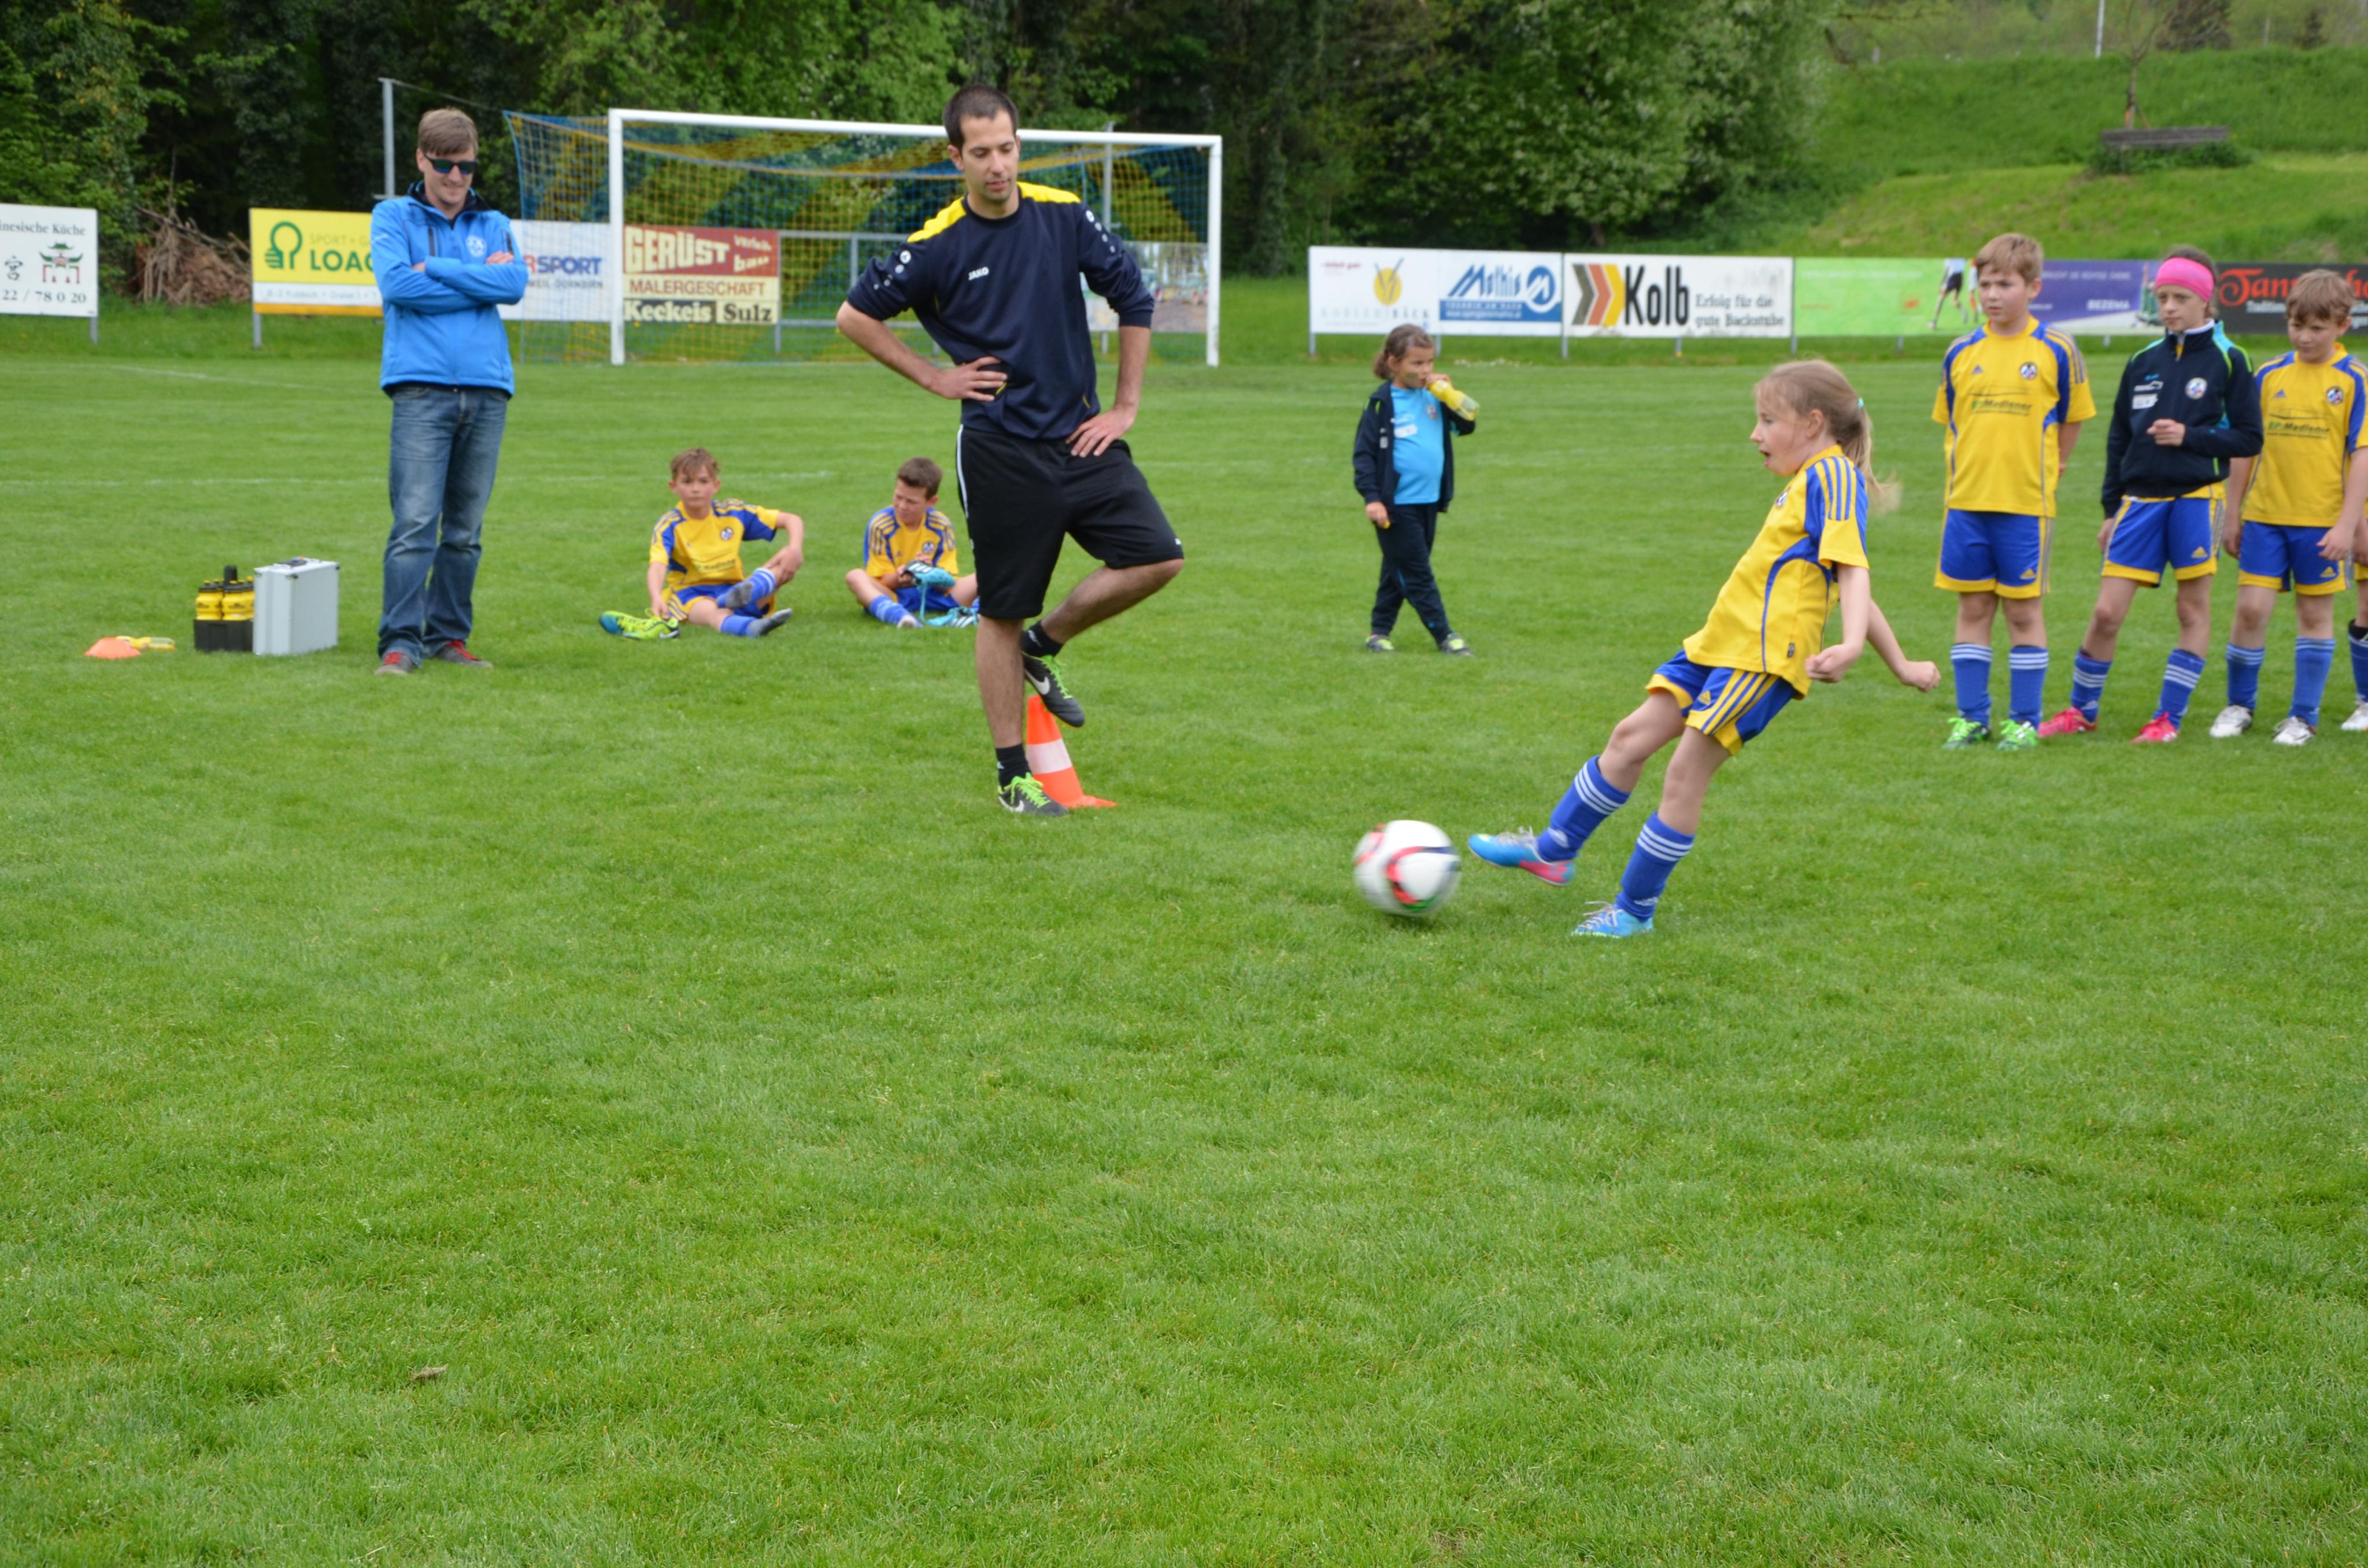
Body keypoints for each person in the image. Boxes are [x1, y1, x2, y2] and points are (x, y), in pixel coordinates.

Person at [1466, 361, 1938, 939]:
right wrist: (1902, 665)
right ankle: (1553, 851)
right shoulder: (1809, 480)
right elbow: (1840, 577)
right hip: (1720, 645)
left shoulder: (1832, 476)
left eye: (1768, 420)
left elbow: (1853, 568)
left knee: (1684, 775)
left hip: (1761, 659)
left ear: (1813, 423)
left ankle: (1634, 911)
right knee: (1629, 739)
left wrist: (1852, 644)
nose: (1755, 434)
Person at [835, 84, 1184, 818]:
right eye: (981, 153)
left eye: (1006, 149)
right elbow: (854, 316)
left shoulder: (1063, 214)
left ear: (1018, 146)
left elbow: (1133, 296)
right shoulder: (938, 243)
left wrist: (1124, 407)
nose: (997, 166)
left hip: (1082, 436)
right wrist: (934, 377)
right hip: (999, 449)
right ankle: (1013, 779)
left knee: (1158, 557)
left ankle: (1043, 644)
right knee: (998, 609)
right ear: (955, 157)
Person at [2043, 247, 2263, 742]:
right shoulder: (2143, 360)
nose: (2168, 307)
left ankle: (2168, 719)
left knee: (2191, 610)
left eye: (2180, 298)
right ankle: (2081, 711)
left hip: (2197, 500)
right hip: (2139, 503)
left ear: (2205, 300)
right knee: (2106, 612)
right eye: (2162, 298)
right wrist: (2110, 509)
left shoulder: (2230, 359)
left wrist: (2190, 437)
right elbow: (2119, 438)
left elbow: (2250, 438)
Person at [368, 107, 526, 675]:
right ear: (420, 159)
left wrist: (434, 267)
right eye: (444, 165)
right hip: (421, 389)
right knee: (414, 524)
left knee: (464, 532)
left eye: (466, 166)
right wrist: (479, 283)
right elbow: (397, 286)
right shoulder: (392, 215)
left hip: (488, 390)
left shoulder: (494, 221)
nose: (456, 177)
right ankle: (400, 643)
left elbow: (515, 284)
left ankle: (448, 639)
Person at [1930, 232, 2093, 750]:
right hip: (1966, 503)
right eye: (1985, 285)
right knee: (1973, 609)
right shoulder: (1961, 351)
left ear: (2034, 287)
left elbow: (2073, 417)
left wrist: (2056, 465)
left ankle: (2023, 722)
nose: (1993, 295)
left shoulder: (2057, 349)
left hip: (2025, 506)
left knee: (2023, 613)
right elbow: (1951, 421)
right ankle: (1971, 719)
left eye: (2005, 284)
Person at [2207, 269, 2367, 744]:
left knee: (2314, 616)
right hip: (2265, 517)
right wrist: (2233, 512)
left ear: (2343, 325)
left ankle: (2303, 717)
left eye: (2318, 328)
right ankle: (2239, 705)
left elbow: (2362, 456)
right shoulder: (2268, 375)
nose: (2305, 337)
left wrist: (2347, 525)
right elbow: (2245, 448)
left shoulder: (2355, 380)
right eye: (2297, 325)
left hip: (2320, 523)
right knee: (2250, 610)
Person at [1353, 324, 1477, 654]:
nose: (1425, 370)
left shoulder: (1435, 396)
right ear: (1394, 363)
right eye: (1417, 363)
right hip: (1395, 503)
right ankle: (1445, 636)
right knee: (1417, 572)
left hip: (1429, 499)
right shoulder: (1381, 404)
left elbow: (1468, 425)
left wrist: (1451, 395)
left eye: (1429, 362)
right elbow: (1364, 456)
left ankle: (1379, 633)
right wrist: (1373, 499)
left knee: (1399, 567)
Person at [610, 447, 800, 639]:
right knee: (714, 613)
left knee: (789, 555)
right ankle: (750, 627)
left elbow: (792, 520)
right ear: (673, 486)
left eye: (703, 481)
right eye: (687, 482)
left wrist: (795, 548)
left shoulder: (732, 512)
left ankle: (740, 596)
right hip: (692, 595)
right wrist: (656, 597)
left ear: (716, 485)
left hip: (735, 588)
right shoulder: (670, 525)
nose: (695, 489)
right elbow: (658, 565)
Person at [846, 457, 978, 628]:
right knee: (855, 577)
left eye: (911, 502)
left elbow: (948, 584)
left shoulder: (941, 525)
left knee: (987, 575)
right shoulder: (881, 525)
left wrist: (930, 573)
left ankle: (975, 615)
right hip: (895, 596)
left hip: (937, 596)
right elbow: (884, 581)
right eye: (898, 497)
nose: (902, 506)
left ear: (931, 502)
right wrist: (903, 575)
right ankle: (900, 617)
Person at [1930, 257, 1969, 331]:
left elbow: (1946, 271)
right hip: (1960, 277)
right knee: (1954, 300)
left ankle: (1934, 322)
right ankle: (1963, 310)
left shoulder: (1949, 259)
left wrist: (1941, 284)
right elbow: (1965, 260)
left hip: (1952, 278)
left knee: (1940, 299)